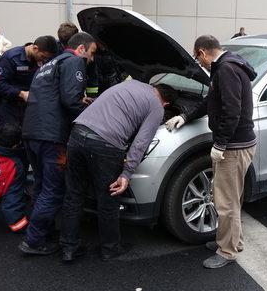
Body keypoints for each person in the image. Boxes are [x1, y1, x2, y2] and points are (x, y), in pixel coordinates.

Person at [165, 35, 257, 269]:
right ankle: (233, 241)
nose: (200, 63)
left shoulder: (226, 69)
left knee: (225, 202)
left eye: (198, 58)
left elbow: (232, 111)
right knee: (229, 198)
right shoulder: (226, 67)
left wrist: (221, 144)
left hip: (234, 147)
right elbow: (210, 102)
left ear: (203, 51)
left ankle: (227, 251)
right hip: (236, 144)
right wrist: (184, 116)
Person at [59, 80, 178, 263]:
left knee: (73, 195)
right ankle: (110, 249)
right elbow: (141, 142)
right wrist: (127, 173)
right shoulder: (157, 107)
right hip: (105, 144)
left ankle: (68, 248)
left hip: (77, 134)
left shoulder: (129, 84)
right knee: (108, 199)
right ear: (166, 103)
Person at [19, 34, 92, 255]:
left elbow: (53, 95)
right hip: (52, 136)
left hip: (31, 132)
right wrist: (91, 114)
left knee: (40, 187)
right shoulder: (74, 61)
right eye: (92, 52)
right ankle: (33, 242)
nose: (92, 58)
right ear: (81, 49)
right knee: (53, 190)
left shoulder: (49, 64)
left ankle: (43, 233)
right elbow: (70, 100)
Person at [0, 41, 55, 133]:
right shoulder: (11, 57)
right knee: (8, 137)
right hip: (8, 105)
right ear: (35, 48)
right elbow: (0, 84)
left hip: (28, 107)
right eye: (42, 57)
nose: (43, 60)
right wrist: (21, 93)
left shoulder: (38, 59)